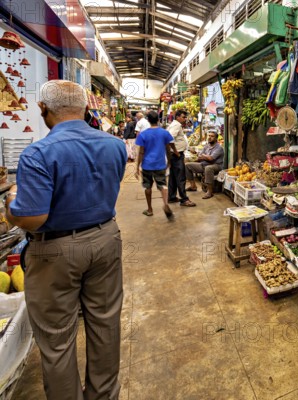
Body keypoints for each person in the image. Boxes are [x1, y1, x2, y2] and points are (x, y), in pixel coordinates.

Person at [5, 80, 127, 400]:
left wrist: (11, 206)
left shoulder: (38, 153)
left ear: (43, 109)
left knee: (57, 339)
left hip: (54, 250)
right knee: (105, 325)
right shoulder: (114, 145)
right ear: (86, 108)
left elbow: (33, 217)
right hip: (105, 238)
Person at [135, 110, 178, 219]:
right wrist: (169, 161)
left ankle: (150, 209)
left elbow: (141, 152)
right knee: (163, 184)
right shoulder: (164, 133)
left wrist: (137, 167)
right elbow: (168, 148)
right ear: (158, 120)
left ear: (148, 120)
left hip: (147, 165)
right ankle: (166, 204)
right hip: (160, 164)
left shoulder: (143, 134)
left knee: (147, 186)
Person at [167, 110, 195, 207]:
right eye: (183, 117)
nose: (185, 119)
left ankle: (171, 196)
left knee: (173, 177)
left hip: (174, 154)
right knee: (180, 177)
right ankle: (184, 199)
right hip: (176, 155)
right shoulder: (177, 125)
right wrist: (175, 151)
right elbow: (169, 138)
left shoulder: (175, 124)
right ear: (177, 117)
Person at [185, 130, 224, 199]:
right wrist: (204, 157)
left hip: (216, 165)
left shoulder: (219, 148)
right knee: (187, 166)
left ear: (216, 138)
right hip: (204, 164)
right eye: (209, 136)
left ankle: (209, 191)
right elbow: (199, 156)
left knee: (208, 168)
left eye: (212, 136)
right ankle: (193, 186)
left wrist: (204, 156)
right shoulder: (206, 146)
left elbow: (211, 159)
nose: (209, 137)